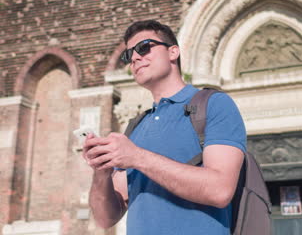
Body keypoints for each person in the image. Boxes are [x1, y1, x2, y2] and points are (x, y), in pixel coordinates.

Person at [82, 20, 246, 235]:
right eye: (128, 54)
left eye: (144, 47)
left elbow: (220, 190)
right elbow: (105, 219)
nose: (134, 57)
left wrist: (137, 157)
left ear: (173, 52)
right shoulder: (135, 128)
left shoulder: (214, 103)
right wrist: (101, 172)